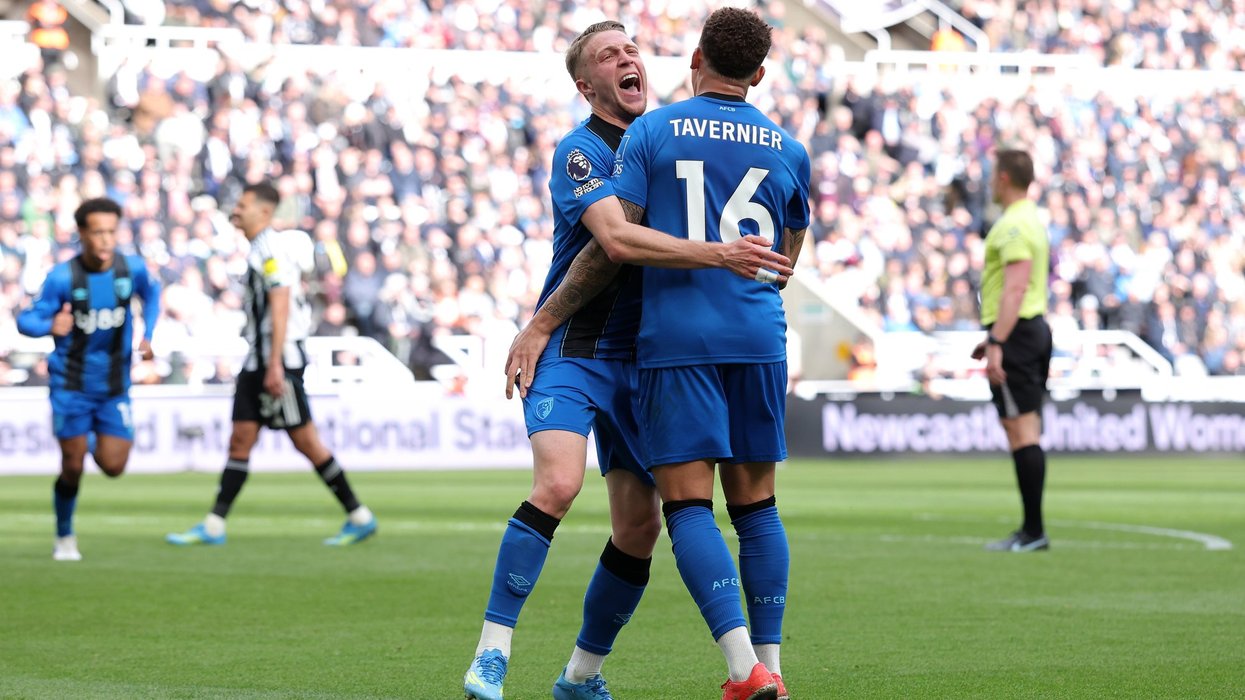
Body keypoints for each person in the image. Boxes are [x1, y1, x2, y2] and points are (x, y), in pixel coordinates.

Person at [465, 20, 793, 700]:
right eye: (607, 56)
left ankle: (581, 676)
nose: (626, 58)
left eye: (631, 50)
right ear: (586, 85)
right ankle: (492, 652)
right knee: (557, 484)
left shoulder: (668, 137)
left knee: (640, 528)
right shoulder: (583, 151)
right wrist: (539, 324)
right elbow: (611, 241)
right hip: (578, 348)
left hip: (650, 360)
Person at [166, 182, 377, 547]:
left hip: (276, 361)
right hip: (258, 360)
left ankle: (359, 515)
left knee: (307, 442)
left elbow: (280, 301)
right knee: (240, 440)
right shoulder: (259, 248)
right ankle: (214, 525)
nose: (236, 210)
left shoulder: (269, 248)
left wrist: (275, 364)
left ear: (264, 211)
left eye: (243, 204)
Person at [17, 197, 161, 561]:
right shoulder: (63, 277)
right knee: (73, 464)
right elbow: (26, 321)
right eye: (97, 232)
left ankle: (94, 436)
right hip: (71, 385)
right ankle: (65, 535)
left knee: (114, 466)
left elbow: (153, 294)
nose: (106, 240)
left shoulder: (133, 270)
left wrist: (149, 334)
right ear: (82, 233)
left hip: (114, 386)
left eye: (112, 231)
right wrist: (49, 324)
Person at [971, 149, 1052, 553]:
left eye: (992, 174)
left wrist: (999, 341)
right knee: (1025, 429)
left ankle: (1033, 531)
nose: (989, 181)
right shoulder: (1030, 219)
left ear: (1003, 177)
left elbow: (1016, 289)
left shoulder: (1014, 226)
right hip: (1025, 330)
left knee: (1021, 431)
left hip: (1018, 334)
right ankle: (1032, 530)